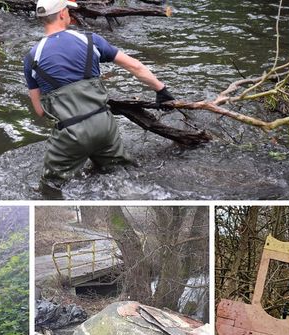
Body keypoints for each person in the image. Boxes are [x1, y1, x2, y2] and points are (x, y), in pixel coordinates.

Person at [23, 0, 175, 194]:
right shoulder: (90, 40)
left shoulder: (31, 59)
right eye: (68, 10)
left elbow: (39, 111)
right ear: (62, 13)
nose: (70, 14)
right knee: (120, 175)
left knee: (51, 187)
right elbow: (134, 66)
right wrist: (161, 90)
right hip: (105, 126)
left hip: (69, 135)